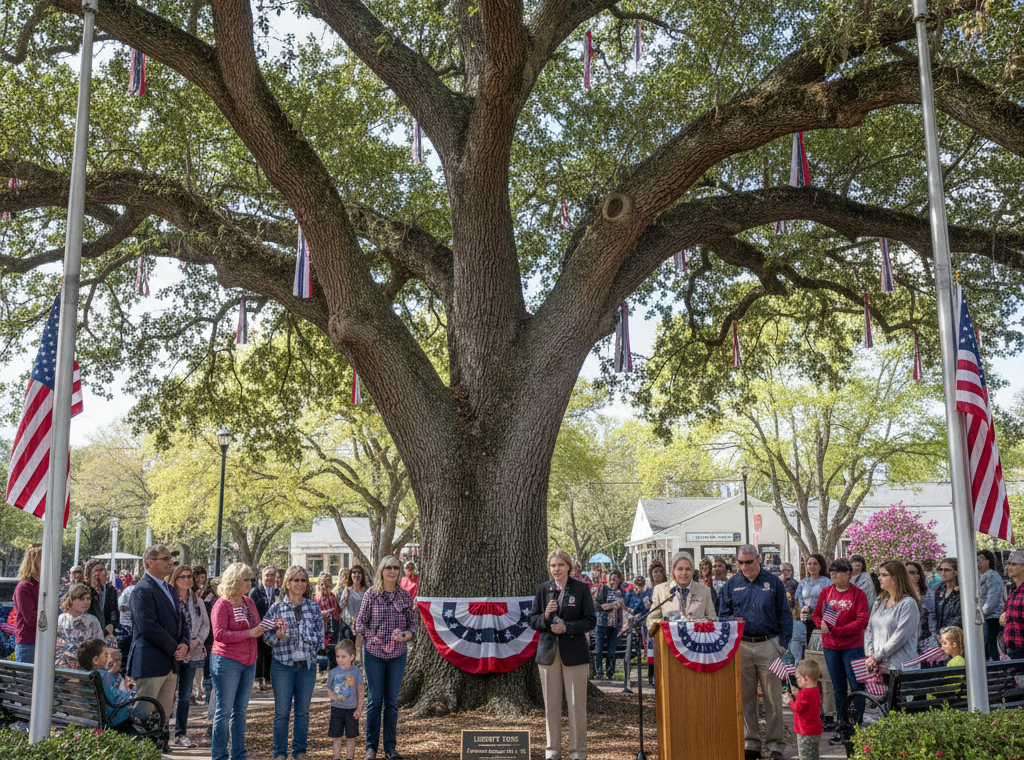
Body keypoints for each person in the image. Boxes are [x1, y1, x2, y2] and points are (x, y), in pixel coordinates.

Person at [718, 545, 792, 760]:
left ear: (759, 559)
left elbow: (785, 615)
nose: (744, 566)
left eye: (749, 562)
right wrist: (730, 620)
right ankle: (751, 744)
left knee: (773, 699)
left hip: (769, 644)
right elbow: (722, 614)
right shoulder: (732, 584)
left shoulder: (774, 583)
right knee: (746, 698)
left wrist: (783, 644)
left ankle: (776, 746)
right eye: (740, 562)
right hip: (741, 646)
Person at [528, 549, 596, 760]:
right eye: (552, 566)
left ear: (569, 566)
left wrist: (568, 628)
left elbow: (590, 621)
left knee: (576, 705)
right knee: (551, 705)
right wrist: (546, 615)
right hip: (548, 654)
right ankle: (552, 750)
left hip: (574, 653)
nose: (556, 569)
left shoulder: (582, 589)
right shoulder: (543, 589)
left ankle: (578, 752)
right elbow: (533, 620)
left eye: (560, 565)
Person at [355, 555, 418, 760]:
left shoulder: (405, 596)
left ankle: (390, 748)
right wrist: (373, 638)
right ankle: (370, 748)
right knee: (374, 701)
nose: (392, 571)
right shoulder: (371, 595)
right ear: (381, 571)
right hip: (374, 654)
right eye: (388, 567)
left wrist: (409, 634)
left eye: (396, 568)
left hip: (398, 655)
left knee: (391, 702)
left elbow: (413, 625)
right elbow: (360, 624)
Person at [263, 565, 324, 760]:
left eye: (303, 580)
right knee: (282, 712)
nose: (300, 584)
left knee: (303, 712)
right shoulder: (277, 607)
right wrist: (278, 638)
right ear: (287, 583)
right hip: (282, 665)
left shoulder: (313, 606)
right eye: (296, 580)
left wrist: (307, 640)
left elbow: (321, 635)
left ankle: (299, 751)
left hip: (306, 665)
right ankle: (280, 752)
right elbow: (265, 634)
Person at [127, 544, 189, 726]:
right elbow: (148, 626)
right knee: (143, 714)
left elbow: (182, 622)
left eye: (171, 559)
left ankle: (159, 749)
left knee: (164, 714)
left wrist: (185, 644)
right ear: (149, 563)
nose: (171, 563)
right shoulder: (141, 590)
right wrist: (174, 648)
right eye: (165, 559)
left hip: (171, 664)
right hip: (151, 663)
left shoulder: (170, 590)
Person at [211, 562, 265, 760]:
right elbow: (219, 634)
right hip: (226, 661)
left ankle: (238, 755)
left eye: (251, 579)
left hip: (249, 662)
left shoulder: (249, 602)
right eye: (246, 579)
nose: (250, 583)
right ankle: (219, 756)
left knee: (240, 712)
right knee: (224, 712)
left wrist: (270, 627)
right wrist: (248, 633)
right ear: (234, 581)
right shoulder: (222, 604)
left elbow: (257, 627)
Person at [812, 557, 869, 737]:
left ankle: (857, 723)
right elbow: (816, 615)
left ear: (848, 574)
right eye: (832, 571)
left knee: (857, 684)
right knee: (838, 687)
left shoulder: (858, 594)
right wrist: (821, 623)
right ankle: (842, 723)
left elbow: (862, 621)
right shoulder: (826, 592)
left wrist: (839, 631)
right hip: (831, 647)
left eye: (838, 571)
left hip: (853, 647)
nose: (834, 574)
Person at [171, 563, 210, 748]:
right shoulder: (168, 599)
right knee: (167, 694)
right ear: (175, 579)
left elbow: (205, 625)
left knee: (185, 695)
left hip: (192, 652)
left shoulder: (197, 601)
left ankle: (180, 733)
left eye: (189, 577)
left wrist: (195, 642)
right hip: (172, 651)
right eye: (182, 577)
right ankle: (161, 731)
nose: (187, 580)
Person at [863, 561, 921, 676]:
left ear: (896, 578)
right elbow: (870, 628)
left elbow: (899, 637)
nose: (879, 578)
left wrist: (876, 657)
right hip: (879, 668)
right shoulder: (880, 601)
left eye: (884, 575)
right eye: (879, 575)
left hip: (901, 669)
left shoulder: (908, 604)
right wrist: (870, 654)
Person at [77, 638, 142, 736]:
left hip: (95, 719)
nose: (109, 658)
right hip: (114, 721)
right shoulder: (101, 676)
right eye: (106, 655)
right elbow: (119, 700)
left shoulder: (86, 676)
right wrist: (131, 690)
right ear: (96, 660)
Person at [647, 551, 718, 632]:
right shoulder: (660, 590)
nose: (684, 573)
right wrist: (667, 624)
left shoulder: (705, 590)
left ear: (692, 571)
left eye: (688, 569)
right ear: (673, 570)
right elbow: (650, 621)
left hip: (697, 640)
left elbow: (714, 620)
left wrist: (696, 623)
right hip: (668, 641)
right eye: (680, 569)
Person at [56, 583, 115, 668]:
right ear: (72, 600)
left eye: (88, 599)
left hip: (86, 666)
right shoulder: (62, 619)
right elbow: (57, 646)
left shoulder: (92, 620)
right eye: (82, 599)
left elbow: (99, 646)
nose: (86, 602)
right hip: (64, 666)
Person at [328, 638, 365, 760]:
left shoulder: (357, 673)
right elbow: (329, 688)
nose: (339, 659)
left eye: (343, 657)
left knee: (351, 736)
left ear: (352, 657)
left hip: (351, 710)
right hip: (336, 709)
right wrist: (330, 694)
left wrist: (359, 709)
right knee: (336, 736)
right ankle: (336, 757)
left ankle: (350, 757)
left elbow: (360, 692)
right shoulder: (333, 672)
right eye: (338, 656)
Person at [782, 659, 823, 760]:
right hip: (815, 730)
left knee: (804, 756)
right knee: (813, 754)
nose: (797, 680)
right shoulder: (816, 689)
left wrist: (790, 700)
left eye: (798, 678)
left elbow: (797, 708)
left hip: (804, 731)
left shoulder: (803, 693)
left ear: (806, 678)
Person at [250, 565, 280, 692]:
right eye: (267, 575)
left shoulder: (279, 592)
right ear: (262, 577)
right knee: (259, 654)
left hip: (274, 629)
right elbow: (251, 611)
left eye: (271, 575)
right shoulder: (255, 591)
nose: (269, 578)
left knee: (270, 654)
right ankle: (258, 681)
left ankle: (268, 680)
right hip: (258, 627)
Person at [593, 568, 627, 679]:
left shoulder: (622, 592)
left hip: (614, 625)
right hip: (601, 623)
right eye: (612, 578)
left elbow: (624, 609)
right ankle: (599, 672)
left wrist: (622, 625)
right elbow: (598, 605)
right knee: (599, 650)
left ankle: (610, 673)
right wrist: (613, 605)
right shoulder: (603, 589)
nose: (614, 581)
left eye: (616, 579)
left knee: (611, 651)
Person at [621, 575, 651, 693]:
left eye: (641, 583)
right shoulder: (630, 594)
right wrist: (629, 617)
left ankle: (650, 677)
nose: (639, 585)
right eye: (637, 583)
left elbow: (647, 610)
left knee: (646, 651)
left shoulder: (646, 595)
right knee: (628, 653)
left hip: (643, 625)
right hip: (631, 626)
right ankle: (627, 679)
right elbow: (625, 608)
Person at [13, 544, 41, 663]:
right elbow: (32, 619)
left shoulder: (46, 585)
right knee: (27, 680)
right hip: (29, 644)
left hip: (46, 642)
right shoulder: (24, 587)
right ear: (34, 561)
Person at [905, 561, 937, 659]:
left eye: (917, 573)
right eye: (911, 572)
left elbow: (933, 616)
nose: (916, 576)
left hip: (927, 640)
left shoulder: (928, 593)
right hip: (907, 642)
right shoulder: (900, 595)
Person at [796, 554, 832, 641]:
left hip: (821, 621)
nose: (812, 566)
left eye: (815, 564)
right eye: (810, 563)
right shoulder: (803, 583)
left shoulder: (828, 582)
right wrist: (802, 610)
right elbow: (798, 601)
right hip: (805, 621)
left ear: (820, 566)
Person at [978, 549, 1006, 661]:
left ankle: (999, 671)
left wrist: (980, 614)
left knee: (993, 648)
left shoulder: (992, 575)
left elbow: (992, 599)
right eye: (976, 560)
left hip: (992, 618)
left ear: (989, 561)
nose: (978, 563)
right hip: (984, 618)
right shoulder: (979, 577)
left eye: (981, 560)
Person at [339, 564, 368, 666]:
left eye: (359, 572)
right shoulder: (347, 590)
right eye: (354, 572)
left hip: (364, 628)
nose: (356, 575)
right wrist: (351, 621)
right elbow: (341, 609)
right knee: (350, 653)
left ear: (362, 575)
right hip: (349, 627)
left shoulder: (366, 592)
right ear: (350, 575)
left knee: (361, 655)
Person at [84, 558, 120, 636]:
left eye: (102, 570)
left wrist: (111, 626)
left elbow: (114, 612)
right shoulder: (85, 590)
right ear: (89, 574)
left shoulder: (110, 590)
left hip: (106, 633)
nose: (101, 573)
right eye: (97, 570)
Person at [999, 550, 1024, 659]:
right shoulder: (1012, 589)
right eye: (1008, 564)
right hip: (1013, 647)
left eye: (1013, 564)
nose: (1009, 567)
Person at [931, 558, 962, 642]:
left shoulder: (962, 591)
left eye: (947, 570)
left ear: (955, 572)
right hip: (941, 637)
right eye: (940, 569)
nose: (942, 572)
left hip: (957, 637)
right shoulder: (939, 590)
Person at [318, 572, 342, 669]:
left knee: (323, 650)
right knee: (332, 650)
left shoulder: (317, 597)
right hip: (330, 626)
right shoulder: (331, 596)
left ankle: (323, 670)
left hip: (320, 628)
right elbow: (337, 612)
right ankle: (331, 671)